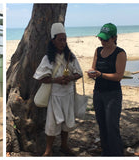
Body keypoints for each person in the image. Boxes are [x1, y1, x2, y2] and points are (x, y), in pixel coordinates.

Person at [33, 23, 83, 156]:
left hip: (68, 94)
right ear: (53, 41)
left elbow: (79, 73)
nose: (63, 42)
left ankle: (64, 146)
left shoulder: (70, 57)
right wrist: (56, 80)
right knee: (52, 124)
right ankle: (48, 150)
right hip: (55, 96)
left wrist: (70, 78)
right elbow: (40, 78)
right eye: (60, 39)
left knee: (66, 122)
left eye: (64, 39)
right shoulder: (48, 58)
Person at [87, 23, 126, 156]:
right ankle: (106, 152)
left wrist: (101, 75)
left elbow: (118, 76)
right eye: (101, 39)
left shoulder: (119, 53)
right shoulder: (98, 51)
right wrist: (91, 73)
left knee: (112, 127)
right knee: (102, 125)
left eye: (106, 39)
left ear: (114, 38)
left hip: (112, 95)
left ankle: (116, 154)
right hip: (98, 93)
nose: (103, 42)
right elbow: (94, 68)